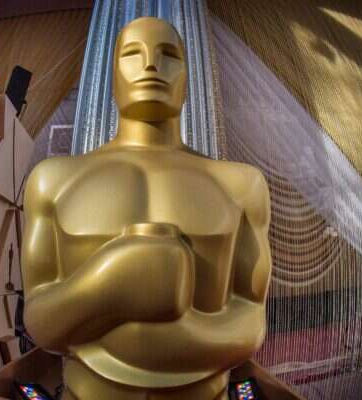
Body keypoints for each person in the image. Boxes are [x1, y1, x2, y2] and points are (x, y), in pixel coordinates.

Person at [22, 17, 272, 400]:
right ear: (113, 77)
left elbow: (251, 317)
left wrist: (187, 330)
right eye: (132, 54)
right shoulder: (52, 181)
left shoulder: (240, 185)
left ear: (187, 79)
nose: (151, 65)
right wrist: (108, 285)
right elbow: (39, 321)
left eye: (168, 55)